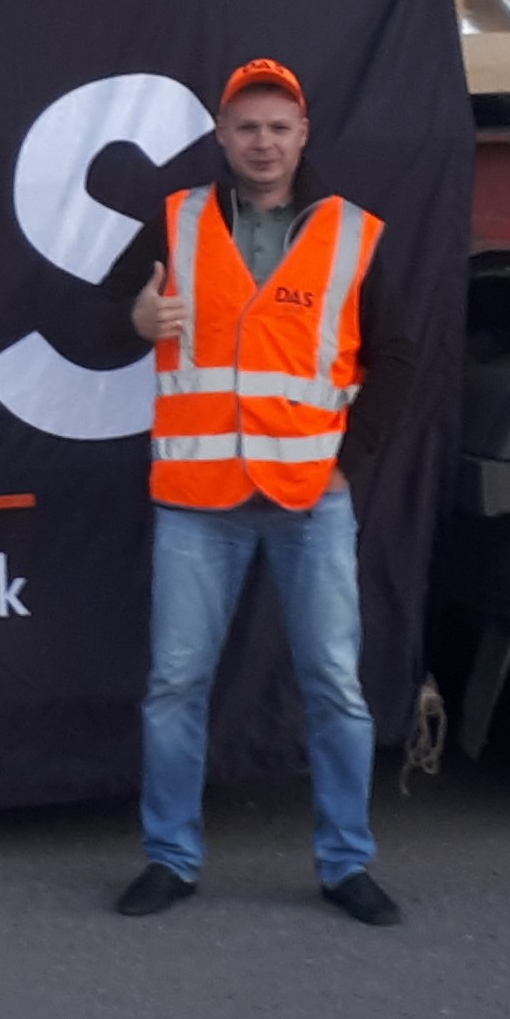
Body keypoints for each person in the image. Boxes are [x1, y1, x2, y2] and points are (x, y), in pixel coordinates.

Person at [113, 57, 412, 927]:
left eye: (279, 127)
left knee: (334, 687)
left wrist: (349, 461)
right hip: (197, 500)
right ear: (221, 134)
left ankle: (346, 864)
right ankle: (169, 859)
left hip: (308, 498)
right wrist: (134, 321)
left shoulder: (352, 232)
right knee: (176, 686)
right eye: (247, 126)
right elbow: (103, 318)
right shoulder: (175, 220)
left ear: (303, 135)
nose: (263, 142)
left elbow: (397, 356)